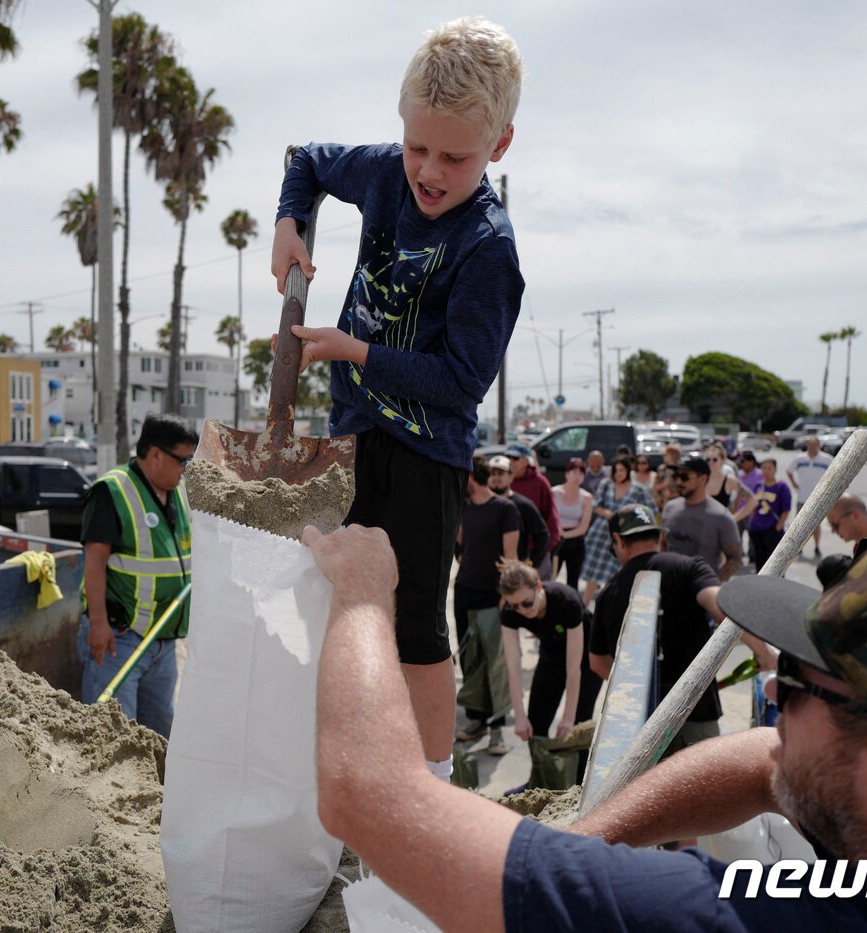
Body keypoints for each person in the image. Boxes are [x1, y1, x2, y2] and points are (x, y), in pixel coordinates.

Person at [303, 525, 867, 931]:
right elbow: (767, 757)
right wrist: (579, 842)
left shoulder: (742, 919)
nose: (769, 687)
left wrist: (364, 593)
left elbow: (367, 794)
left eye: (797, 683)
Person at [270, 17, 524, 782]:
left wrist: (356, 352)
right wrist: (289, 222)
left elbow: (458, 383)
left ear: (499, 147)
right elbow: (306, 161)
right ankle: (346, 767)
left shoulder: (489, 249)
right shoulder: (386, 172)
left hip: (425, 455)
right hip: (351, 439)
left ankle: (433, 784)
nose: (430, 171)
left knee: (416, 626)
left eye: (456, 156)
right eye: (418, 148)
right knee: (344, 607)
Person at [589, 504, 772, 757]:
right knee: (703, 791)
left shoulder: (609, 593)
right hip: (695, 712)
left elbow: (598, 663)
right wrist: (763, 652)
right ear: (660, 536)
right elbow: (721, 606)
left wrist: (638, 687)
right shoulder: (689, 568)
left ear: (617, 540)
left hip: (639, 723)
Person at [77, 415, 195, 739]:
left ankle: (155, 791)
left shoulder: (180, 492)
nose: (187, 467)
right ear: (155, 454)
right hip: (119, 640)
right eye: (182, 459)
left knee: (159, 737)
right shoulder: (112, 491)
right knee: (114, 737)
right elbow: (94, 561)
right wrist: (98, 625)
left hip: (162, 642)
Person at [455, 456, 520, 755]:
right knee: (471, 660)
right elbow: (460, 544)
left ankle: (497, 730)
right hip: (465, 592)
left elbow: (511, 557)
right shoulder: (463, 506)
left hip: (493, 596)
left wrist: (507, 594)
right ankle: (476, 720)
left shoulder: (505, 509)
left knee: (496, 664)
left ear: (471, 477)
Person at [496, 560, 598, 745]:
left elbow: (573, 668)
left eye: (526, 603)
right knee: (535, 725)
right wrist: (519, 716)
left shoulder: (566, 600)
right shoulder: (510, 612)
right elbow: (513, 664)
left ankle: (577, 772)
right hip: (551, 653)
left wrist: (567, 718)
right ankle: (541, 772)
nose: (522, 611)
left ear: (539, 586)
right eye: (514, 605)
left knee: (577, 728)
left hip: (585, 658)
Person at [579, 456, 653, 606]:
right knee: (592, 574)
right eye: (615, 470)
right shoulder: (606, 484)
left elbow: (650, 509)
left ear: (628, 471)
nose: (618, 473)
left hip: (623, 536)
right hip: (600, 534)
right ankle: (584, 608)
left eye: (622, 470)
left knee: (616, 574)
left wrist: (630, 518)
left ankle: (609, 607)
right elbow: (596, 505)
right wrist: (608, 514)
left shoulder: (638, 489)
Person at [663, 456, 744, 581]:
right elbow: (662, 546)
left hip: (702, 595)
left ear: (702, 479)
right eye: (676, 476)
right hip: (669, 589)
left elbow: (735, 559)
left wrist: (712, 583)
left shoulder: (721, 516)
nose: (678, 482)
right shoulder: (669, 508)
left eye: (685, 477)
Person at [488, 455, 548, 570]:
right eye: (492, 474)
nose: (496, 478)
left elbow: (542, 535)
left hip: (511, 572)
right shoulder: (480, 503)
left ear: (511, 477)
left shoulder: (524, 505)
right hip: (482, 571)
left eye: (500, 474)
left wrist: (530, 564)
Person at [503, 442, 559, 559]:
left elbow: (550, 515)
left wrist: (546, 548)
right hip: (504, 548)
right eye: (508, 457)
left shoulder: (540, 483)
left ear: (526, 460)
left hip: (533, 550)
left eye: (515, 458)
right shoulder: (500, 481)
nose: (511, 462)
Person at [740, 457, 791, 570]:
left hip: (772, 529)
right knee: (760, 561)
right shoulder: (758, 486)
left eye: (769, 468)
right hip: (757, 530)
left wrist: (778, 527)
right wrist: (752, 522)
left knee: (774, 564)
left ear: (775, 470)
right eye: (764, 468)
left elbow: (785, 509)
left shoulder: (782, 487)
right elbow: (752, 505)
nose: (766, 471)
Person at [787, 436, 834, 557]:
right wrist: (794, 484)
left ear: (819, 446)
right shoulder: (800, 458)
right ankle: (799, 547)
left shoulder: (826, 459)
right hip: (802, 497)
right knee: (799, 525)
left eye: (815, 445)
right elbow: (789, 470)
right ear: (807, 445)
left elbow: (835, 473)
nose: (812, 448)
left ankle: (817, 546)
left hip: (818, 499)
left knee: (815, 525)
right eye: (810, 445)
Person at [549, 458, 592, 589]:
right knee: (551, 576)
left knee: (573, 581)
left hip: (575, 540)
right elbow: (548, 516)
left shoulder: (586, 497)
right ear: (567, 474)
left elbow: (584, 526)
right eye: (574, 472)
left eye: (581, 473)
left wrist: (566, 535)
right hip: (555, 538)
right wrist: (557, 532)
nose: (577, 476)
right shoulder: (554, 492)